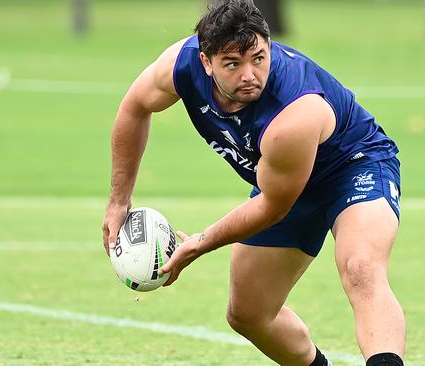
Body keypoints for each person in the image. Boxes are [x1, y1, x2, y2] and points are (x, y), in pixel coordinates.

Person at [101, 1, 405, 365]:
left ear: (269, 46)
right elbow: (134, 108)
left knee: (361, 268)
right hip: (285, 180)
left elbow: (273, 206)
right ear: (206, 62)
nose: (250, 74)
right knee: (248, 314)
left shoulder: (295, 110)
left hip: (353, 165)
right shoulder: (179, 65)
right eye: (233, 64)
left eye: (259, 58)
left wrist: (199, 243)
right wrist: (119, 200)